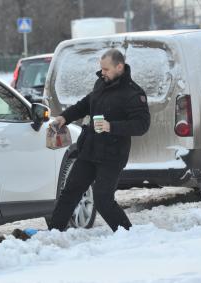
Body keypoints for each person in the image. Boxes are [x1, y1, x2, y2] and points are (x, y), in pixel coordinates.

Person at [48, 48, 150, 232]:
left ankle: (127, 233)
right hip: (90, 149)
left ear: (119, 67)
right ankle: (55, 231)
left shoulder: (133, 93)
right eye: (101, 69)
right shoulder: (101, 84)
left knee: (103, 199)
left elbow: (142, 125)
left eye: (106, 69)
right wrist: (64, 117)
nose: (102, 73)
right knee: (70, 191)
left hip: (112, 155)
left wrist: (112, 126)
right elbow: (86, 104)